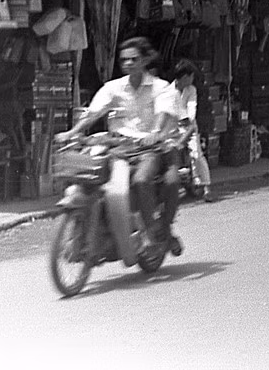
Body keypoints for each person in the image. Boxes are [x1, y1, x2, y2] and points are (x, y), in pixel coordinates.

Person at [55, 36, 183, 256]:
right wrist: (72, 133)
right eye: (124, 60)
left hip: (148, 149)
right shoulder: (113, 88)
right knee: (86, 174)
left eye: (134, 59)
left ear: (144, 61)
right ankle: (91, 231)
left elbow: (163, 114)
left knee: (141, 179)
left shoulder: (161, 88)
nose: (128, 64)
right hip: (118, 147)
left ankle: (153, 232)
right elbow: (93, 113)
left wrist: (154, 134)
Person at [171, 61, 214, 202]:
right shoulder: (168, 91)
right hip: (172, 127)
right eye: (191, 76)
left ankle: (206, 187)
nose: (192, 79)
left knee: (196, 155)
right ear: (184, 77)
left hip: (189, 126)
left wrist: (188, 123)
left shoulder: (191, 90)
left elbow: (191, 110)